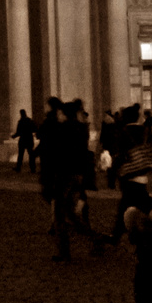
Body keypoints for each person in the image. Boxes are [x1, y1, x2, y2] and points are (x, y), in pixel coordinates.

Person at [39, 98, 106, 261]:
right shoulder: (80, 129)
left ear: (65, 114)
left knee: (61, 215)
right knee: (71, 215)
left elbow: (56, 153)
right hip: (77, 175)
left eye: (61, 113)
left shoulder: (64, 130)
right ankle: (95, 238)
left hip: (64, 175)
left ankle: (64, 252)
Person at [111, 104, 152, 245]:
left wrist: (113, 173)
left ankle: (120, 233)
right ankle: (131, 232)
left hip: (129, 175)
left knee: (126, 205)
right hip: (143, 173)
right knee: (138, 203)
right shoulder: (145, 131)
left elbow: (119, 155)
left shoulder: (123, 132)